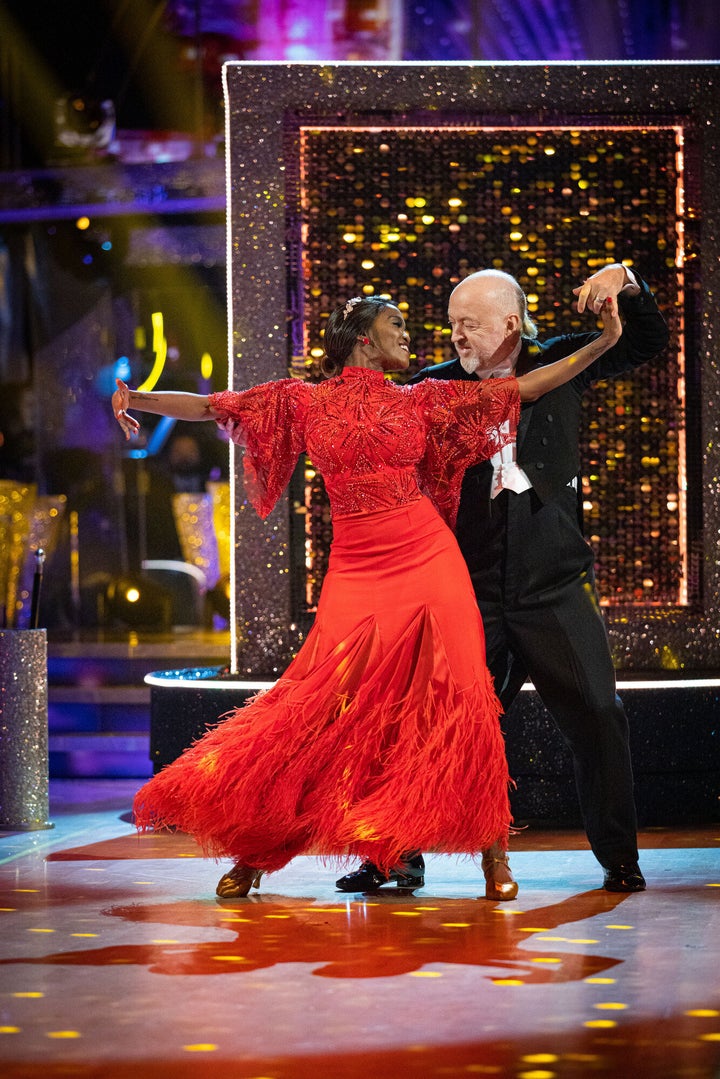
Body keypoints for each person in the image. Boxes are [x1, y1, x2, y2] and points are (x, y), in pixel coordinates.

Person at [113, 293, 621, 900]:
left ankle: (494, 858)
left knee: (464, 699)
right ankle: (255, 853)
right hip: (357, 569)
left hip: (431, 562)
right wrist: (133, 397)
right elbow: (210, 405)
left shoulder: (424, 398)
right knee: (319, 709)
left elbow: (530, 387)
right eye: (398, 324)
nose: (411, 334)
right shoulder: (299, 399)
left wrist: (604, 343)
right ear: (363, 338)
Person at [337, 264, 669, 898]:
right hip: (469, 589)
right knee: (425, 719)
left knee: (600, 714)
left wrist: (624, 279)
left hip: (554, 585)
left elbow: (648, 341)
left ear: (512, 324)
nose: (457, 335)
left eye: (472, 324)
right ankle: (393, 860)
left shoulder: (566, 360)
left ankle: (620, 857)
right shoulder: (434, 387)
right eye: (454, 323)